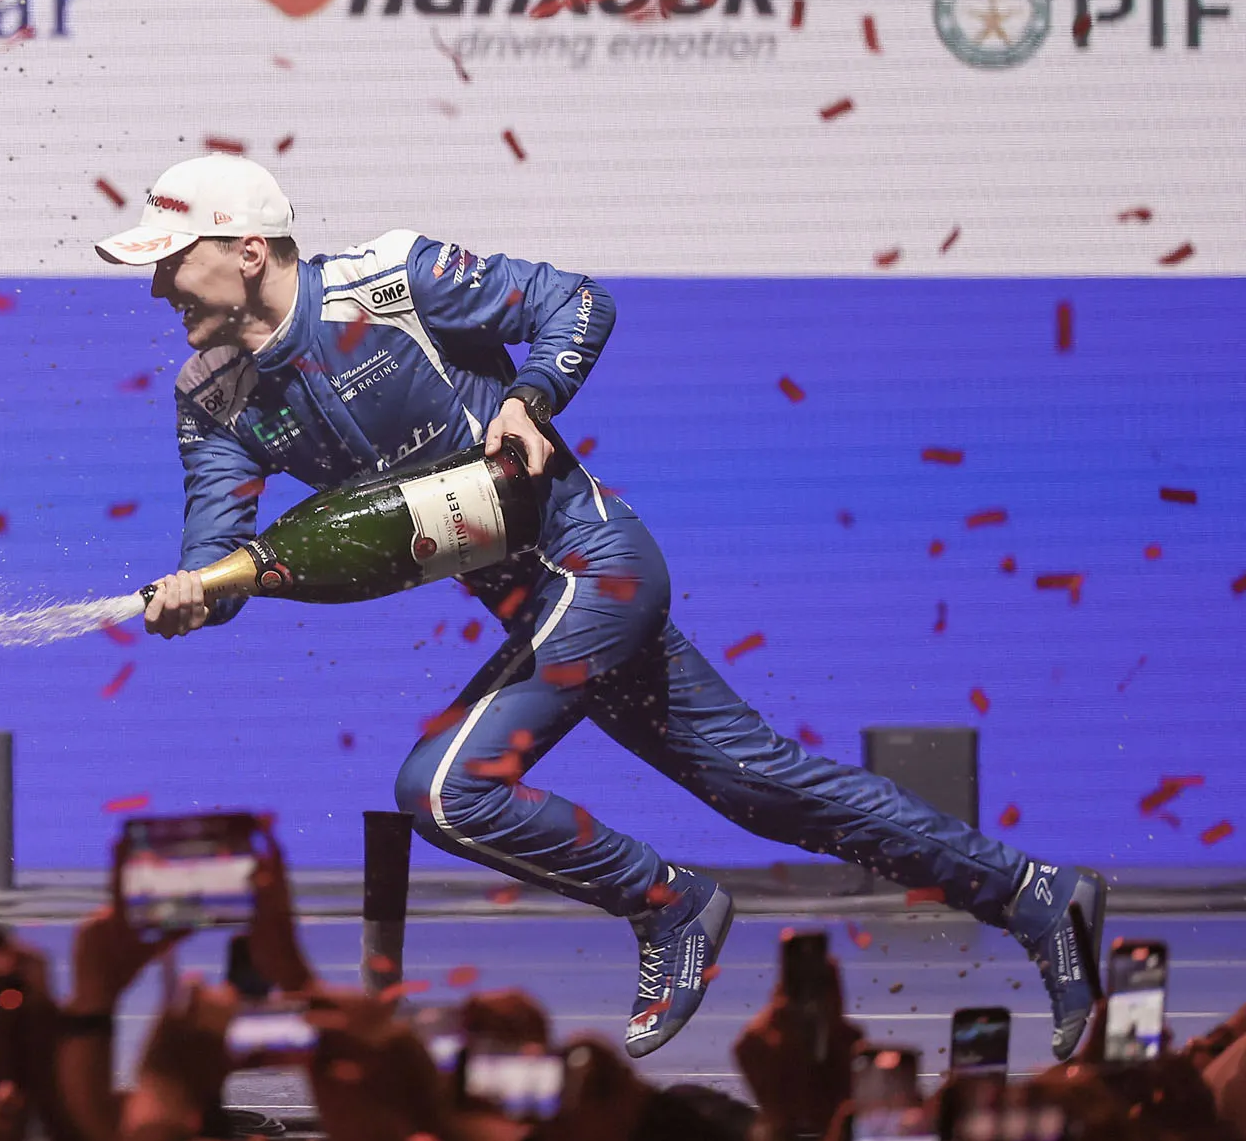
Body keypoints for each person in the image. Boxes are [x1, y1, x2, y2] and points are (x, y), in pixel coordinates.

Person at [99, 153, 1104, 1060]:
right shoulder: (212, 397)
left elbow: (577, 302)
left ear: (248, 251)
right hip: (538, 610)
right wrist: (195, 594)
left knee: (444, 790)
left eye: (171, 260)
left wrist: (525, 398)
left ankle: (669, 903)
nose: (154, 285)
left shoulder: (390, 280)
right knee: (764, 786)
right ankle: (1036, 894)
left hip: (598, 568)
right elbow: (222, 557)